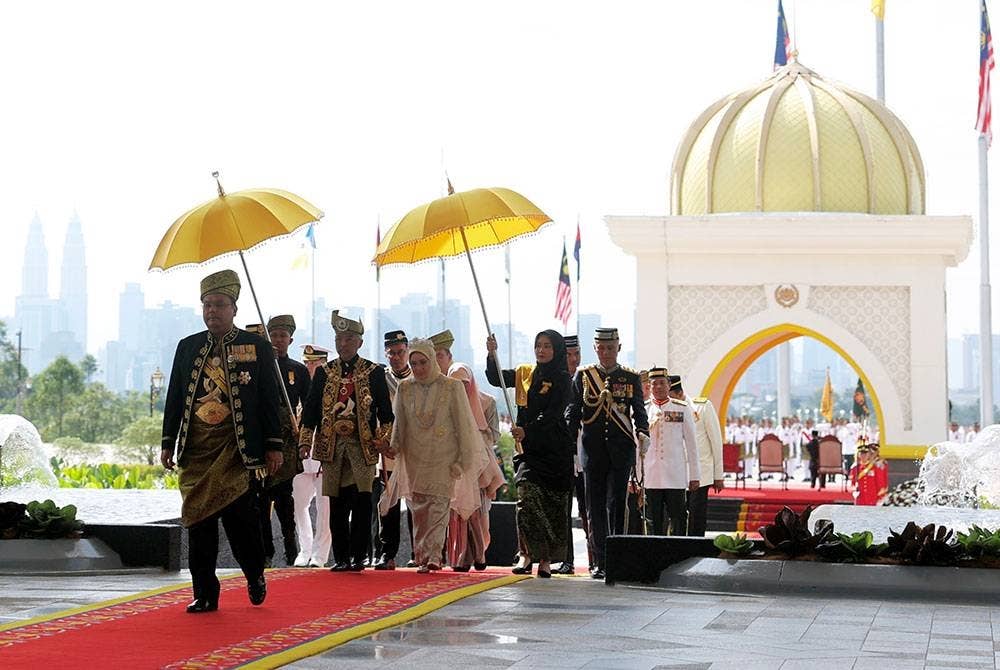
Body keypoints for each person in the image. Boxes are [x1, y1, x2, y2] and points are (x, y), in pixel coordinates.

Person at [160, 269, 282, 613]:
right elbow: (174, 398)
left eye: (219, 304)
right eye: (207, 305)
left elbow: (269, 401)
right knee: (198, 523)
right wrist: (168, 441)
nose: (212, 311)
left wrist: (273, 445)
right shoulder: (188, 347)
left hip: (236, 451)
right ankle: (205, 593)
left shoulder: (257, 347)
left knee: (241, 523)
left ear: (234, 308)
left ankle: (254, 573)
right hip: (196, 451)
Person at [298, 311, 393, 572]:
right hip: (331, 446)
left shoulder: (374, 372)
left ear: (360, 342)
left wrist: (383, 440)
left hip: (362, 447)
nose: (343, 344)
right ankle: (340, 557)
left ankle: (359, 556)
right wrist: (305, 442)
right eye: (339, 339)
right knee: (336, 505)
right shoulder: (324, 372)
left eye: (349, 339)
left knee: (362, 503)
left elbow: (386, 414)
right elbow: (310, 411)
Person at [378, 338, 483, 573]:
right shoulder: (405, 388)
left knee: (438, 507)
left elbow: (463, 426)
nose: (418, 368)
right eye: (414, 363)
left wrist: (462, 460)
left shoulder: (452, 387)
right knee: (419, 511)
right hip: (415, 458)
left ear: (433, 360)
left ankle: (435, 555)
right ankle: (422, 556)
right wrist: (392, 447)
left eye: (423, 362)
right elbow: (400, 424)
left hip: (444, 458)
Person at [486, 330, 574, 578]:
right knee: (526, 501)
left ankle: (545, 559)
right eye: (538, 345)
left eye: (547, 346)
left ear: (556, 350)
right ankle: (525, 554)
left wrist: (528, 430)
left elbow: (554, 414)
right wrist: (492, 355)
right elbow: (496, 378)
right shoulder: (525, 373)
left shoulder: (562, 378)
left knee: (550, 506)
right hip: (528, 452)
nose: (541, 350)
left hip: (554, 451)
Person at [567, 327, 649, 580]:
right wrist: (568, 443)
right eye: (601, 348)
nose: (605, 353)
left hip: (621, 450)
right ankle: (600, 560)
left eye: (610, 348)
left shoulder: (630, 377)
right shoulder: (584, 376)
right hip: (593, 451)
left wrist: (643, 431)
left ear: (618, 348)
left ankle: (616, 558)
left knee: (617, 505)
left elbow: (639, 410)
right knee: (595, 507)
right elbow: (574, 410)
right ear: (595, 348)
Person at [252, 314, 308, 567]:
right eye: (273, 335)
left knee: (285, 500)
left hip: (287, 440)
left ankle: (291, 549)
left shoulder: (299, 370)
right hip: (262, 440)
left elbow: (309, 405)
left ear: (290, 340)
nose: (278, 340)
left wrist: (302, 433)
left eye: (282, 336)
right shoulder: (258, 367)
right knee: (261, 500)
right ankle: (266, 552)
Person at [373, 330, 414, 571]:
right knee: (388, 503)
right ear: (386, 354)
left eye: (400, 352)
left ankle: (419, 553)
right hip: (388, 450)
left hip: (415, 450)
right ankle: (386, 554)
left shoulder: (419, 378)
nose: (397, 357)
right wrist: (382, 442)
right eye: (392, 353)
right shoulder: (380, 379)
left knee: (416, 503)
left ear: (407, 351)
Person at [642, 370, 699, 535]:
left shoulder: (681, 408)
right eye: (654, 384)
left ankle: (678, 549)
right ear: (649, 387)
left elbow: (691, 444)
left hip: (675, 475)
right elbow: (637, 446)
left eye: (662, 383)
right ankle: (655, 550)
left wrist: (694, 475)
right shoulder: (643, 410)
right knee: (653, 521)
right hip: (651, 476)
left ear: (669, 385)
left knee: (678, 519)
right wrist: (636, 477)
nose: (658, 387)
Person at [291, 344, 332, 567]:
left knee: (324, 509)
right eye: (306, 362)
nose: (308, 366)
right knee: (299, 505)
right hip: (302, 457)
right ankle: (305, 549)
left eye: (314, 363)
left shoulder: (330, 388)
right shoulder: (299, 385)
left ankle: (319, 554)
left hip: (323, 456)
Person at [556, 334, 587, 574]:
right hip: (564, 456)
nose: (574, 359)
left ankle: (596, 559)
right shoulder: (555, 382)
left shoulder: (589, 380)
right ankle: (567, 560)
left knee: (589, 511)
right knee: (564, 511)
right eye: (568, 354)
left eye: (577, 354)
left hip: (587, 455)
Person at [685, 387, 724, 536]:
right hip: (677, 474)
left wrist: (718, 475)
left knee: (697, 515)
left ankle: (696, 544)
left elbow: (716, 442)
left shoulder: (702, 407)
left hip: (702, 473)